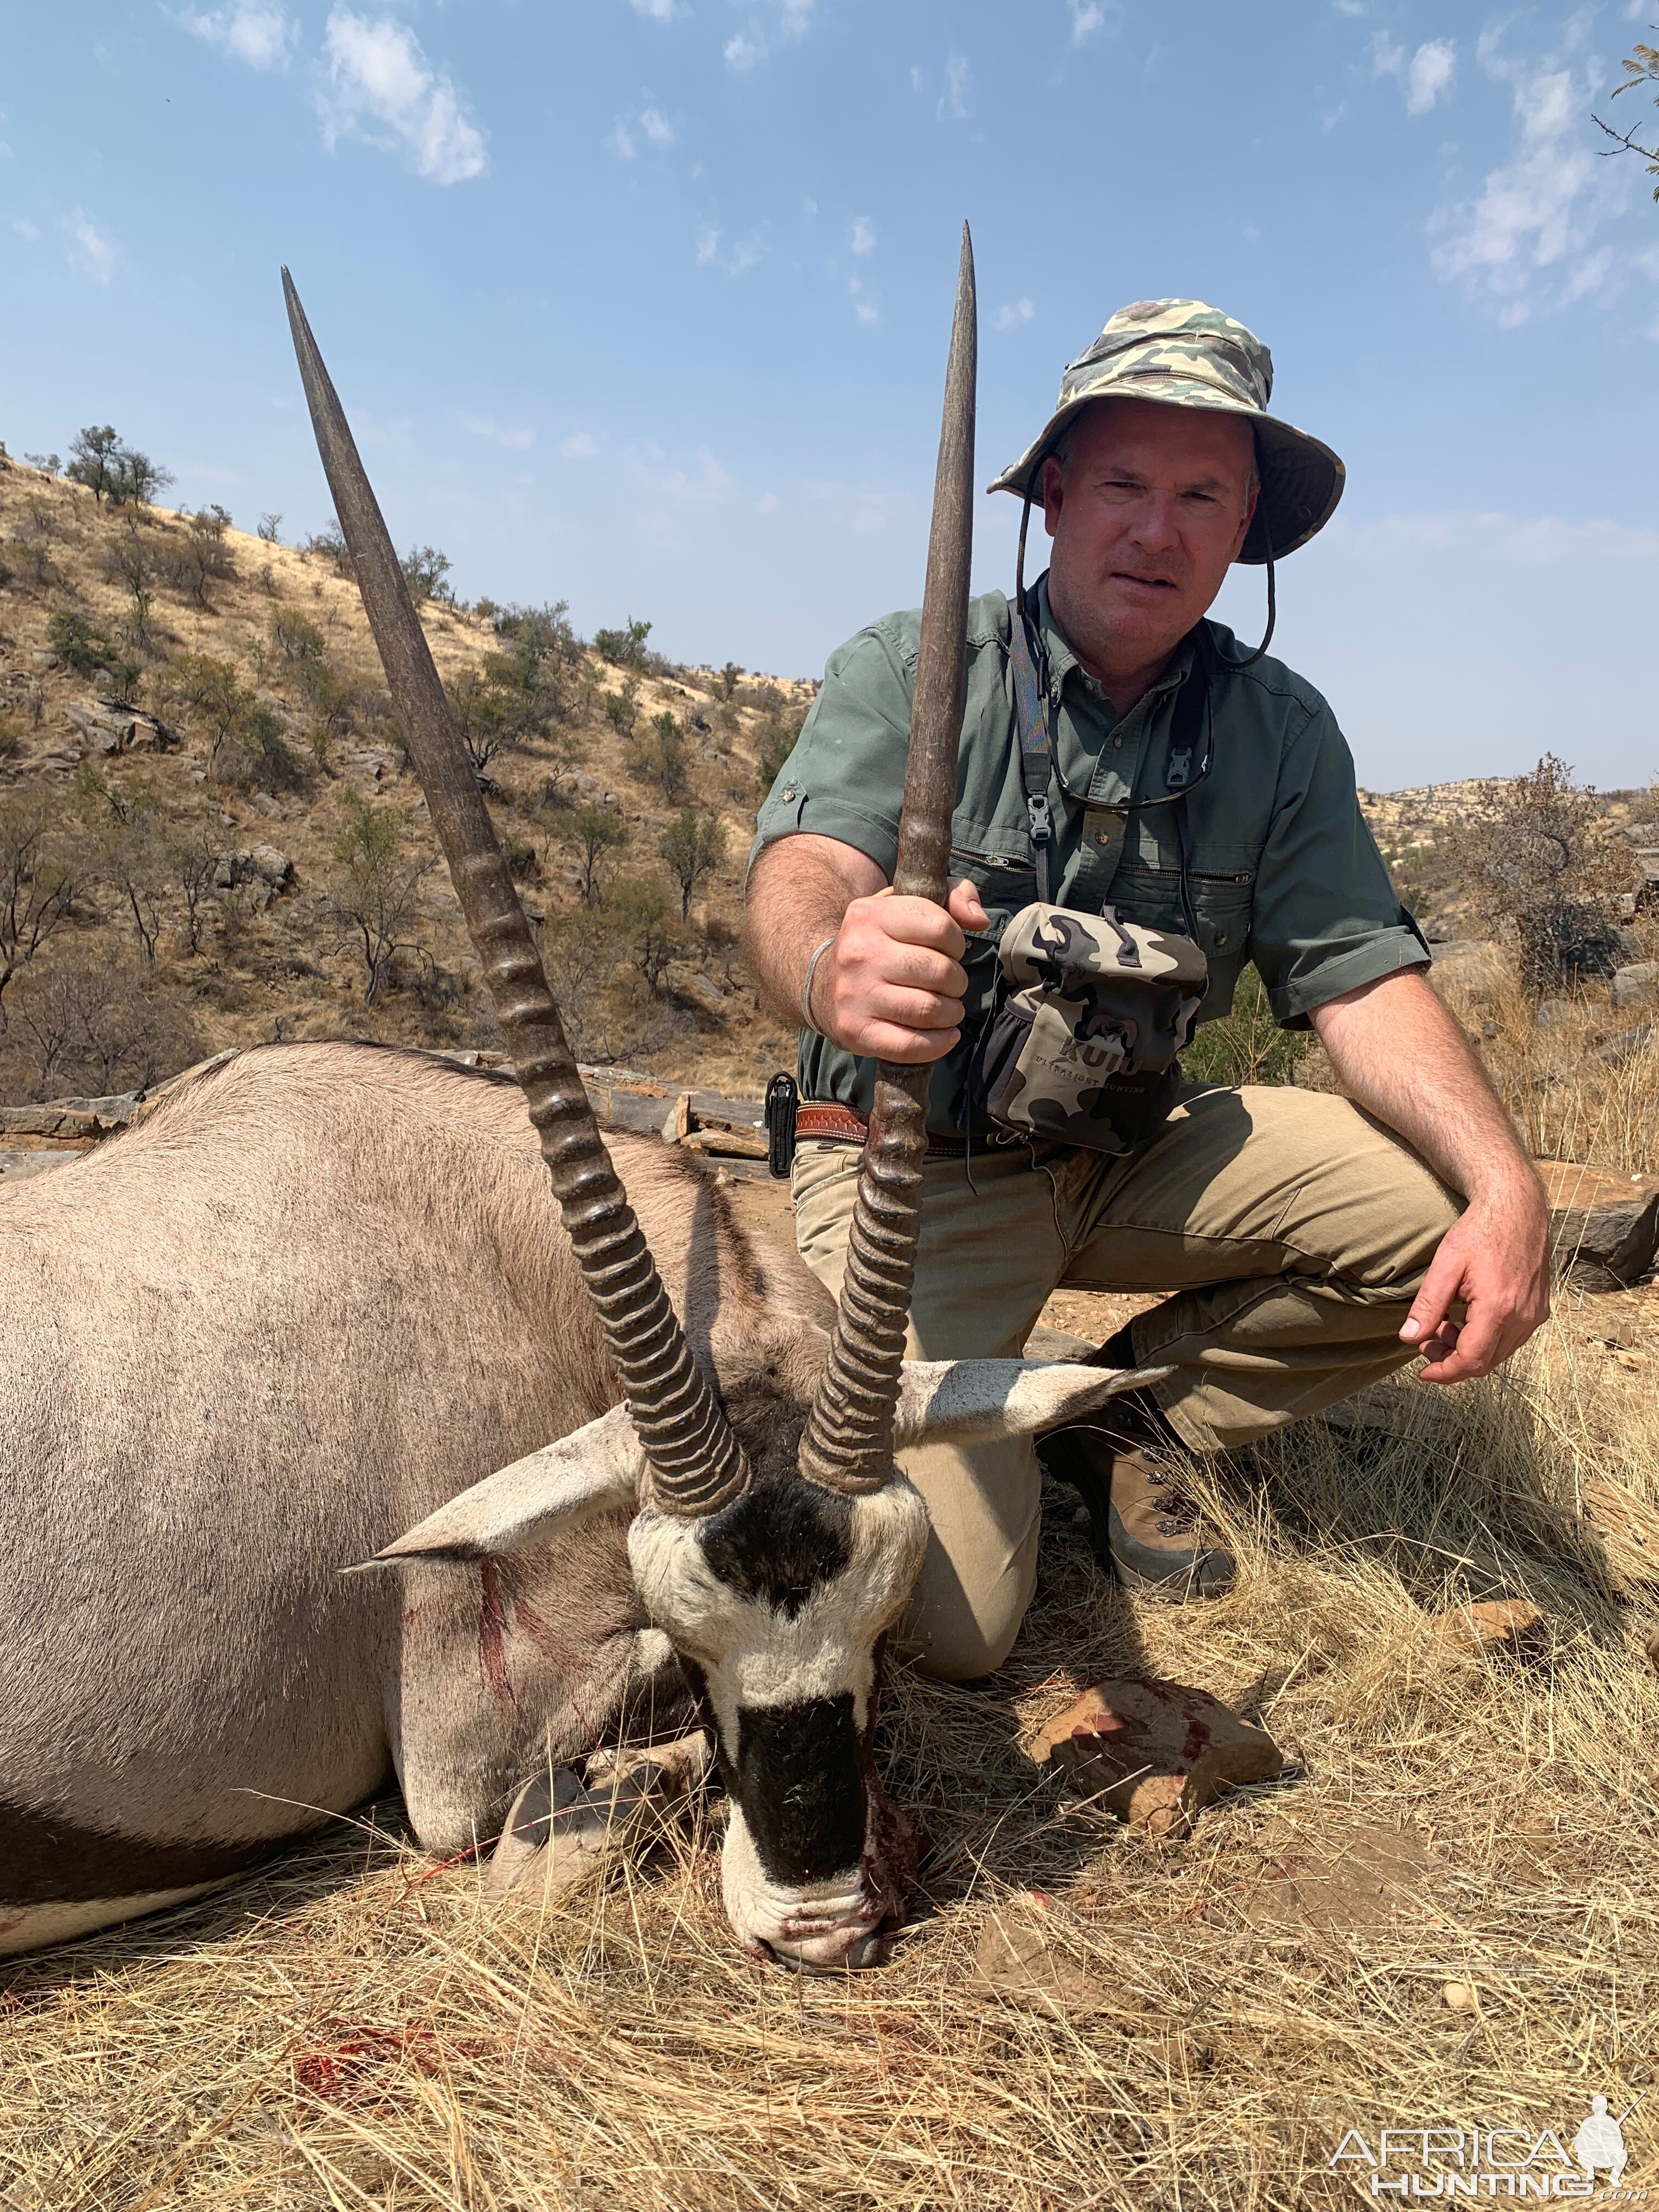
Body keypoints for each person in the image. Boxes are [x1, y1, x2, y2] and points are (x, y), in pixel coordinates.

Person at [744, 298, 1550, 1680]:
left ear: (1246, 533)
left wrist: (1510, 1182)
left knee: (1437, 1216)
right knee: (954, 1630)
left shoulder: (1281, 729)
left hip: (1130, 1152)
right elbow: (798, 874)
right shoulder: (911, 664)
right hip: (916, 1169)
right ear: (1054, 496)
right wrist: (833, 965)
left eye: (1203, 496)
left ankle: (1135, 1422)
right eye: (1122, 483)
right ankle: (988, 1423)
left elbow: (1364, 978)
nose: (1157, 530)